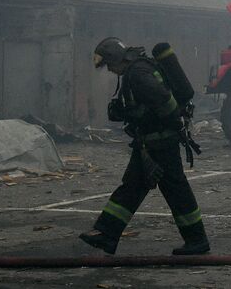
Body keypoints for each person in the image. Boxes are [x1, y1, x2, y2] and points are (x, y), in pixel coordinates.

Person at [79, 38, 210, 256]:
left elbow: (163, 100)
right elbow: (146, 105)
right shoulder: (138, 69)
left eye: (109, 65)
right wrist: (127, 112)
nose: (110, 70)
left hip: (159, 141)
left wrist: (169, 123)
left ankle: (197, 240)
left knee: (171, 188)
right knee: (136, 186)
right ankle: (107, 233)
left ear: (116, 59)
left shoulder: (137, 74)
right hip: (153, 140)